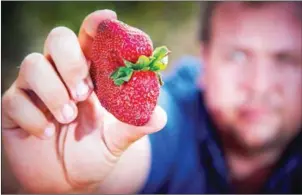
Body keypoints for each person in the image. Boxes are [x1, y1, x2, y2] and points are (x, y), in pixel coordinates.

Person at [2, 1, 301, 194]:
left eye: (286, 59)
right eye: (237, 55)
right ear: (204, 60)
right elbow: (140, 144)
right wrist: (80, 182)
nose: (260, 85)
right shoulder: (175, 112)